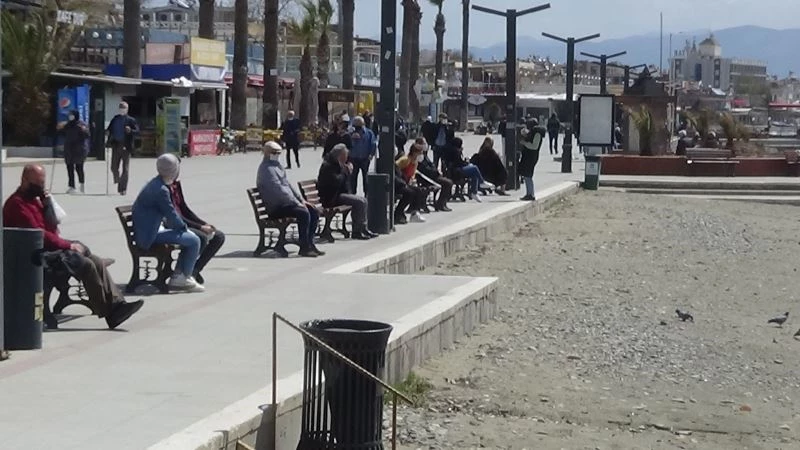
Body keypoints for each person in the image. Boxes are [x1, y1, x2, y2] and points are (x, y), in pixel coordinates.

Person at [3, 164, 144, 329]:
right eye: (38, 183)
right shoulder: (17, 204)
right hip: (33, 256)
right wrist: (69, 245)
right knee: (86, 265)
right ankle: (110, 312)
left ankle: (117, 304)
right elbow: (39, 235)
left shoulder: (35, 200)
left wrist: (47, 207)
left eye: (43, 183)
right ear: (25, 180)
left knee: (96, 261)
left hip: (47, 249)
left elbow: (53, 230)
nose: (41, 187)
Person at [133, 154, 204, 292]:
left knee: (191, 238)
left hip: (149, 231)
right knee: (194, 240)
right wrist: (184, 228)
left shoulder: (155, 183)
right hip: (149, 235)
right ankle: (183, 277)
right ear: (174, 170)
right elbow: (171, 213)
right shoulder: (161, 190)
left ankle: (180, 274)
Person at [257, 141, 325, 257]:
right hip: (276, 207)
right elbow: (278, 189)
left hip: (286, 204)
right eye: (274, 153)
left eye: (278, 153)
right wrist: (296, 203)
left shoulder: (277, 166)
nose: (277, 155)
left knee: (313, 210)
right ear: (267, 153)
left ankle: (310, 243)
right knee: (303, 212)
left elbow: (288, 185)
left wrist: (301, 200)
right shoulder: (266, 169)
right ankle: (304, 247)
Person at [168, 179, 225, 285]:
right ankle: (182, 273)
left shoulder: (176, 185)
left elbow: (185, 209)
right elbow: (175, 216)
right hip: (175, 226)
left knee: (219, 237)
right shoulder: (164, 188)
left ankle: (194, 270)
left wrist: (203, 223)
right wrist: (200, 227)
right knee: (201, 237)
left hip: (185, 223)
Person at [317, 143, 377, 240]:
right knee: (360, 202)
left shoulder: (337, 164)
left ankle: (363, 228)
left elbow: (344, 184)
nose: (347, 158)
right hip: (331, 197)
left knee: (363, 200)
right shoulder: (328, 166)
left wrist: (347, 172)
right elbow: (335, 182)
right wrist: (345, 172)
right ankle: (357, 231)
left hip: (338, 195)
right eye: (345, 156)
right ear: (339, 156)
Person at [441, 137, 494, 202]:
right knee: (474, 168)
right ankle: (481, 183)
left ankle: (474, 193)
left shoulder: (450, 150)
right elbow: (459, 163)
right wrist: (466, 163)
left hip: (453, 171)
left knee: (474, 173)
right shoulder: (455, 151)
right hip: (457, 172)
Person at [106, 101, 138, 196]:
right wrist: (107, 133)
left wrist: (130, 130)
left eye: (124, 108)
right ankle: (118, 180)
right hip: (116, 145)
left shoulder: (131, 120)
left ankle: (123, 188)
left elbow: (137, 130)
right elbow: (109, 129)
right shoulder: (115, 119)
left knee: (125, 168)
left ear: (127, 109)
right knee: (113, 167)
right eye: (121, 108)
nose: (122, 109)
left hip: (126, 146)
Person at [415, 137, 453, 212]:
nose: (426, 145)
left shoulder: (424, 154)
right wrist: (435, 172)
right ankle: (441, 204)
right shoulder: (419, 156)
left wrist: (435, 170)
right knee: (448, 183)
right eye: (424, 143)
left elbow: (431, 165)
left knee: (449, 181)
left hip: (433, 175)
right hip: (427, 178)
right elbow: (424, 169)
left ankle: (442, 203)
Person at [58, 109, 89, 194]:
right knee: (69, 167)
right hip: (69, 149)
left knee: (79, 167)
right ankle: (71, 186)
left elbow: (87, 135)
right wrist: (59, 128)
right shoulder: (68, 125)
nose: (70, 116)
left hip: (79, 149)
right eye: (69, 115)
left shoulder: (81, 124)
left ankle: (82, 184)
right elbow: (62, 134)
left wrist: (83, 130)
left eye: (72, 115)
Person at [396, 143, 429, 221]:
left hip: (407, 183)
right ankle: (398, 213)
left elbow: (412, 174)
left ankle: (414, 213)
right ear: (414, 153)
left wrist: (412, 180)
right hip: (399, 183)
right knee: (410, 193)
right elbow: (395, 168)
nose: (421, 155)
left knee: (418, 191)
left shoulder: (415, 162)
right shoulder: (405, 160)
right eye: (420, 153)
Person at [348, 115, 377, 195]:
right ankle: (353, 194)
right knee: (352, 178)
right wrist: (351, 138)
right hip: (353, 158)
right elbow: (346, 145)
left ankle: (366, 194)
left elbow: (373, 144)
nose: (357, 129)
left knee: (366, 178)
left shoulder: (369, 133)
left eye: (359, 127)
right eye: (355, 126)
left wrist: (371, 155)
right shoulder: (350, 133)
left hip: (365, 159)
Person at [519, 117, 546, 201]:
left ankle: (530, 194)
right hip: (528, 156)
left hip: (532, 157)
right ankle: (529, 193)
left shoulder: (537, 134)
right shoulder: (533, 132)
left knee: (528, 175)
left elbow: (534, 146)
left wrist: (524, 143)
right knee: (527, 175)